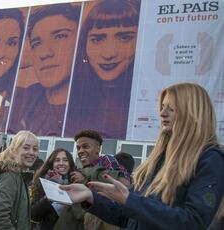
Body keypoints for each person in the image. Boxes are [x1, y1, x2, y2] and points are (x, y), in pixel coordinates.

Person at [61, 83, 224, 229]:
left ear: (192, 111)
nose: (162, 113)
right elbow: (127, 218)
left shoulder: (210, 158)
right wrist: (90, 197)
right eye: (162, 106)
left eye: (171, 107)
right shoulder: (159, 158)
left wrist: (129, 200)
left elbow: (193, 222)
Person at [65, 0, 140, 139]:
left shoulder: (146, 105)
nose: (108, 53)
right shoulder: (70, 100)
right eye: (97, 39)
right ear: (84, 43)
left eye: (124, 38)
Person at [8, 3, 81, 136]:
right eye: (37, 43)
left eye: (60, 36)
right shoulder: (20, 99)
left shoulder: (102, 108)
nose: (44, 53)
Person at [0, 130, 39, 230]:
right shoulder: (10, 176)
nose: (31, 153)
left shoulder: (18, 176)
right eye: (26, 148)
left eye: (35, 149)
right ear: (13, 150)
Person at [31, 148, 84, 230]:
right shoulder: (43, 181)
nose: (61, 163)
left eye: (65, 160)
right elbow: (34, 215)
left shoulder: (77, 183)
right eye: (57, 160)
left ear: (70, 164)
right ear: (52, 164)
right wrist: (52, 190)